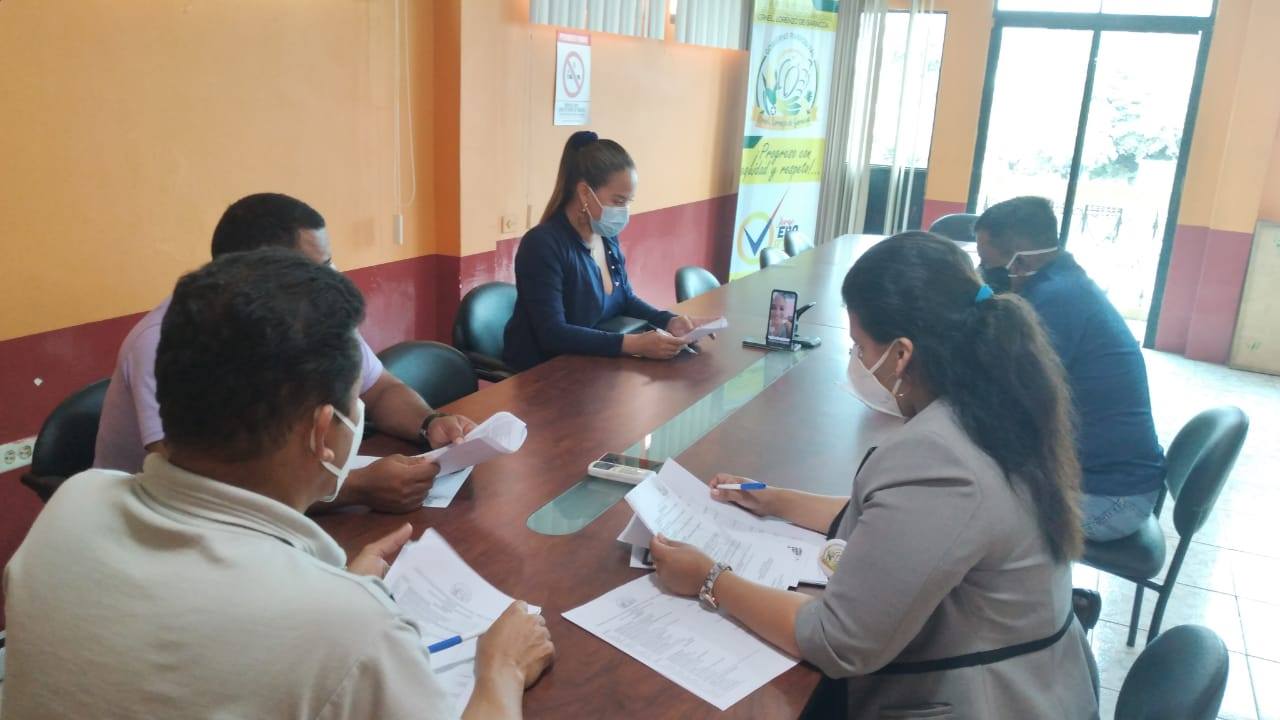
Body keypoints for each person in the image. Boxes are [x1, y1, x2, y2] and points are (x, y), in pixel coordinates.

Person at [3, 249, 554, 719]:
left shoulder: (71, 505)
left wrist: (338, 589)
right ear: (323, 432)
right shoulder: (352, 630)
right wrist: (501, 672)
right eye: (353, 403)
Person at [648, 232, 1097, 718]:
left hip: (984, 699)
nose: (856, 362)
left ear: (902, 354)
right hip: (1039, 679)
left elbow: (837, 640)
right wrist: (773, 500)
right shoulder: (996, 406)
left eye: (860, 347)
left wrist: (710, 578)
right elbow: (905, 526)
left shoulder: (939, 458)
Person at [94, 192, 476, 513]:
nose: (332, 277)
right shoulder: (170, 339)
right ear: (258, 273)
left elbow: (380, 387)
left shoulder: (310, 311)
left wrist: (430, 422)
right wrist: (356, 487)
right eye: (315, 268)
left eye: (330, 262)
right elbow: (196, 482)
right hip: (160, 525)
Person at [975, 196, 1165, 541]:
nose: (983, 271)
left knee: (969, 513)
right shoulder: (1061, 282)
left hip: (1110, 500)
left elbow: (1006, 396)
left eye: (988, 263)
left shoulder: (1057, 301)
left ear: (1020, 261)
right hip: (1101, 483)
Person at [503, 131, 715, 371]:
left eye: (628, 202)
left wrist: (669, 321)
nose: (623, 211)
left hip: (590, 365)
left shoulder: (605, 235)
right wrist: (634, 344)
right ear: (585, 193)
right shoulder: (542, 245)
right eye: (618, 201)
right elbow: (552, 333)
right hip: (541, 374)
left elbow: (625, 299)